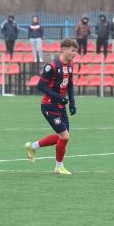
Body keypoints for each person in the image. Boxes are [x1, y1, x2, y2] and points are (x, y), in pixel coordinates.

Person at [25, 39, 78, 175]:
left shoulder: (70, 66)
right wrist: (58, 97)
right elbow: (40, 86)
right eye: (72, 50)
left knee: (63, 136)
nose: (74, 54)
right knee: (64, 136)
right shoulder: (52, 66)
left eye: (75, 51)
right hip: (49, 105)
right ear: (64, 49)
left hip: (61, 106)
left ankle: (33, 146)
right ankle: (58, 167)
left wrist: (72, 103)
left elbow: (70, 85)